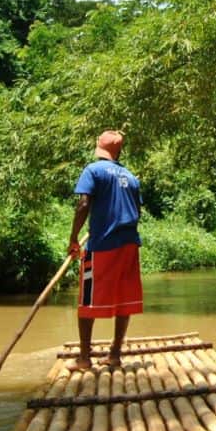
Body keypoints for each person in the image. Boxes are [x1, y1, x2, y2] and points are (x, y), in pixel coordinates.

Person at [66, 130, 143, 370]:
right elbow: (136, 212)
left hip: (101, 245)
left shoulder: (93, 170)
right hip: (129, 243)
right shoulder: (131, 178)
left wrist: (73, 238)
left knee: (87, 297)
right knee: (124, 297)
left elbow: (84, 204)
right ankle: (115, 354)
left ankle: (84, 358)